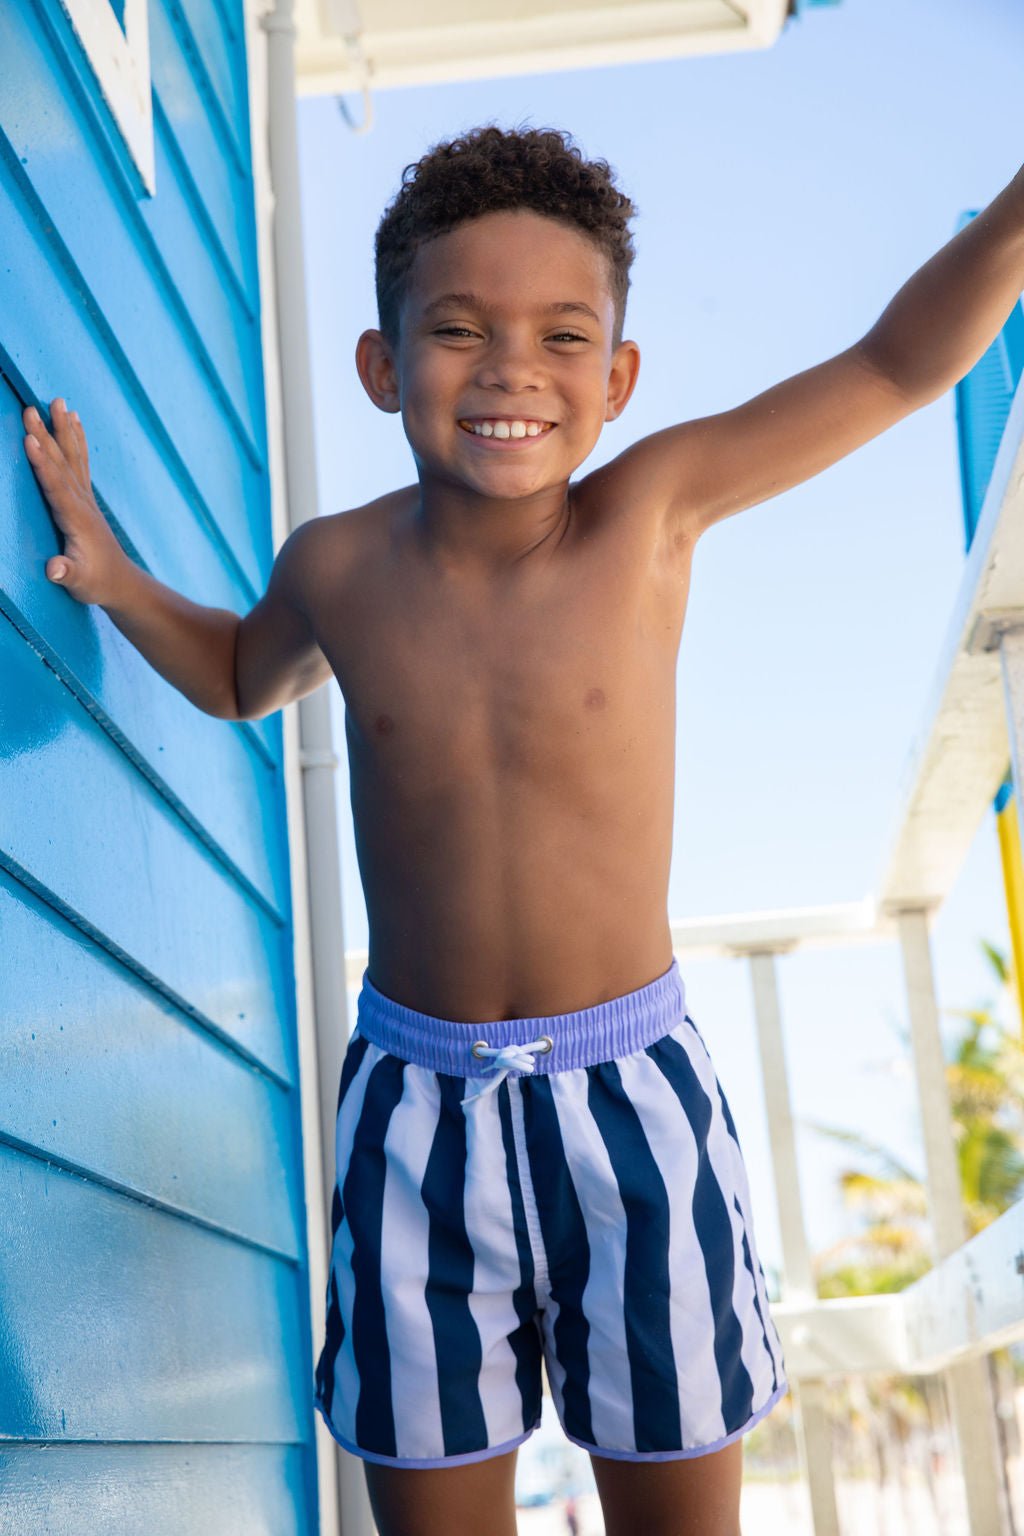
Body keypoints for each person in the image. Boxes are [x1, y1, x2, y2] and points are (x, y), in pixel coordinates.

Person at [21, 125, 1024, 1536]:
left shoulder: (651, 514)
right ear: (381, 366)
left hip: (636, 1101)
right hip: (413, 1109)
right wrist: (117, 576)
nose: (510, 369)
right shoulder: (338, 568)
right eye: (457, 329)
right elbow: (246, 675)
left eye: (564, 336)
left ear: (617, 381)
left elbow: (895, 364)